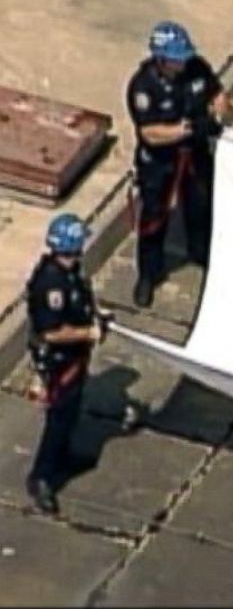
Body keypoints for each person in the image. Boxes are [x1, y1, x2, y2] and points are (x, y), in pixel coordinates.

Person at [126, 21, 228, 308]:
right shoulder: (144, 86)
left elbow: (218, 94)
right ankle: (149, 275)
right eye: (176, 58)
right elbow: (150, 133)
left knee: (201, 204)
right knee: (154, 220)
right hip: (160, 161)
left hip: (195, 155)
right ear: (161, 58)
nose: (182, 63)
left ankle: (200, 252)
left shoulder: (196, 68)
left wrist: (215, 115)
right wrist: (186, 130)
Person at [25, 214, 111, 514]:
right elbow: (52, 332)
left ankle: (62, 457)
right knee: (58, 421)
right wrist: (89, 332)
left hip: (75, 357)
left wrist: (95, 316)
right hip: (59, 363)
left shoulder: (71, 272)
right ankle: (42, 477)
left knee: (72, 413)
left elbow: (82, 300)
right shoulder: (51, 285)